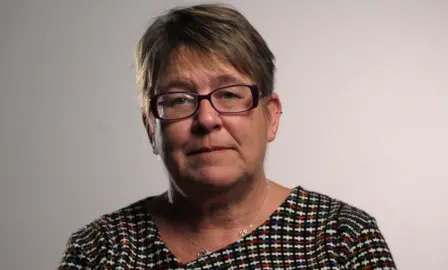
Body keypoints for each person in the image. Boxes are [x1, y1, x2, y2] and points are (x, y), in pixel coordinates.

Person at [58, 4, 396, 269]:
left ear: (271, 115)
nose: (206, 119)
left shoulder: (343, 238)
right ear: (151, 126)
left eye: (230, 95)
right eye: (179, 100)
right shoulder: (101, 250)